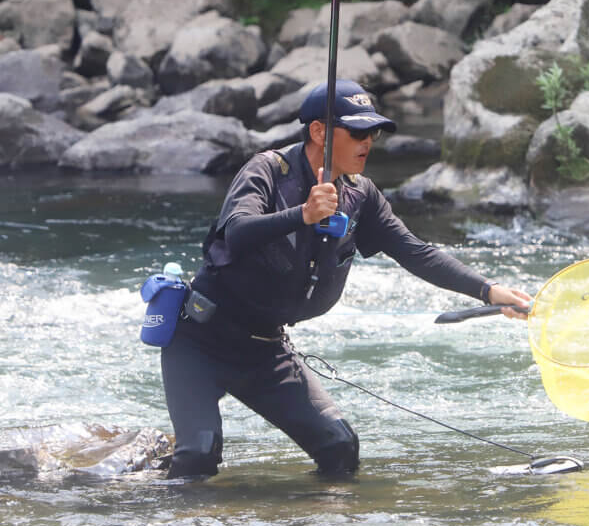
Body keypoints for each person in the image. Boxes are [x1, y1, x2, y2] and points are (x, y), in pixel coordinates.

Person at [161, 79, 531, 479]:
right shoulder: (268, 169)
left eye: (373, 132)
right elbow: (237, 231)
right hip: (200, 341)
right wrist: (302, 213)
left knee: (340, 449)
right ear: (319, 131)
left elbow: (415, 252)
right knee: (198, 457)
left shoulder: (361, 194)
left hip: (265, 350)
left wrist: (489, 290)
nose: (368, 141)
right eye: (357, 131)